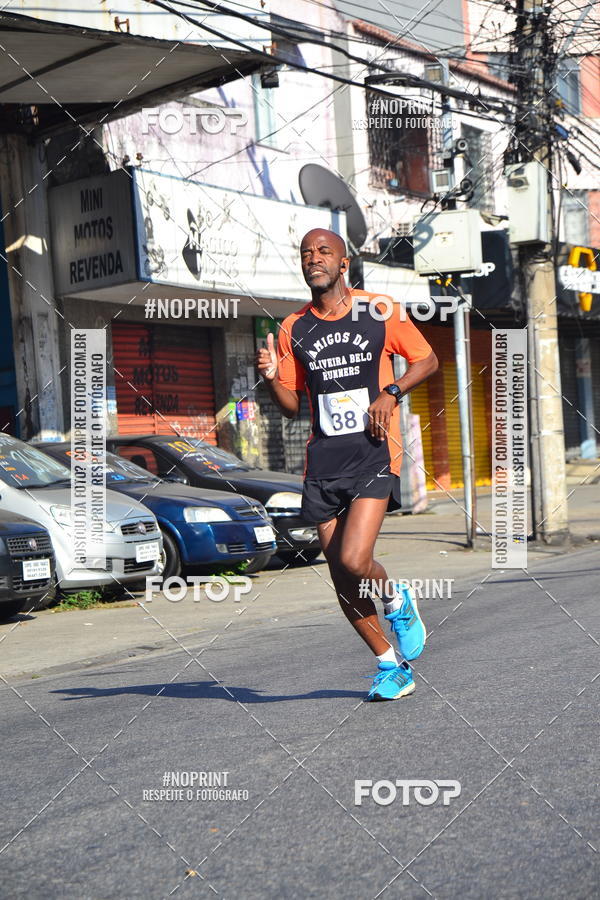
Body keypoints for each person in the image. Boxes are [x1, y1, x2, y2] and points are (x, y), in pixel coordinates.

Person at [255, 228, 438, 701]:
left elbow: (427, 359)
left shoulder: (377, 309)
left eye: (323, 252)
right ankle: (388, 664)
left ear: (343, 264)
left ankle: (396, 598)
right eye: (305, 253)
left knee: (355, 559)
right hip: (323, 462)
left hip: (373, 452)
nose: (312, 258)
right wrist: (273, 377)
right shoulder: (293, 327)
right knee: (339, 574)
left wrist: (390, 393)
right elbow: (293, 406)